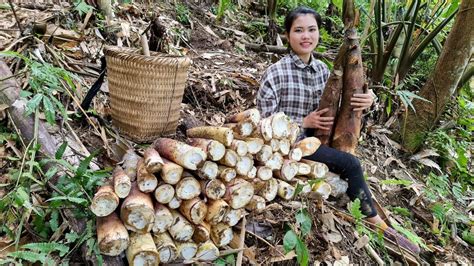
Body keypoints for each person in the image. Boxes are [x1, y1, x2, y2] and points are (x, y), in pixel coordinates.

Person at [256, 6, 420, 254]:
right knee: (351, 164)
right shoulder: (275, 73)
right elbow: (262, 121)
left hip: (322, 141)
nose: (306, 36)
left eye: (311, 30)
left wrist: (369, 98)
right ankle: (374, 221)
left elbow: (347, 101)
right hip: (290, 145)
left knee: (346, 160)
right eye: (298, 30)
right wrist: (303, 122)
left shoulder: (324, 70)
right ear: (288, 34)